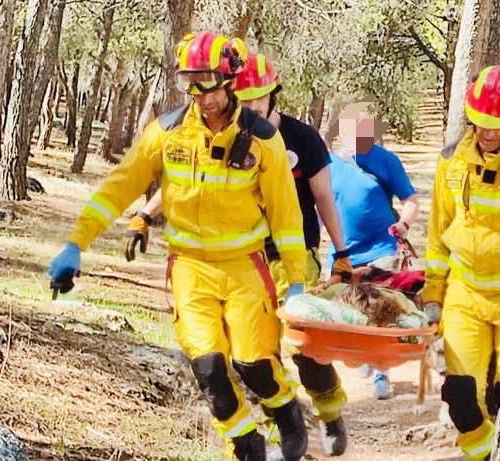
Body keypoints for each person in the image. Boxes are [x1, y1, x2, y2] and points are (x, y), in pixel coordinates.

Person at [48, 32, 308, 461]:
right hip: (189, 269)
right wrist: (77, 242)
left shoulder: (264, 141)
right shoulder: (167, 133)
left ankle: (283, 406)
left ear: (230, 81)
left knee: (253, 365)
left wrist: (296, 279)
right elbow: (118, 187)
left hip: (245, 269)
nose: (201, 97)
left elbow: (286, 217)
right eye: (192, 85)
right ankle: (245, 444)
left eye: (209, 85)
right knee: (208, 368)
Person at [124, 50, 352, 457]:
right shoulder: (221, 130)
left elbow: (322, 199)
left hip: (290, 256)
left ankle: (330, 410)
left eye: (258, 100)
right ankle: (278, 433)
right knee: (250, 358)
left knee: (304, 348)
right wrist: (145, 213)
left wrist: (342, 252)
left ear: (273, 96)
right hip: (239, 259)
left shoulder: (301, 139)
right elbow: (186, 182)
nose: (250, 108)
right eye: (243, 100)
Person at [420, 64, 500, 461]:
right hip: (464, 294)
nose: (487, 131)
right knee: (460, 394)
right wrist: (432, 292)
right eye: (480, 122)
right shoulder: (451, 161)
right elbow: (438, 233)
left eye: (497, 124)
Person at [327, 103, 420, 399]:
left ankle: (382, 372)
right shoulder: (330, 164)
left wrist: (404, 225)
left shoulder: (385, 161)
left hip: (383, 248)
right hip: (344, 252)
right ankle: (366, 356)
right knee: (349, 312)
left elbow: (410, 200)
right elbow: (322, 203)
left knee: (379, 308)